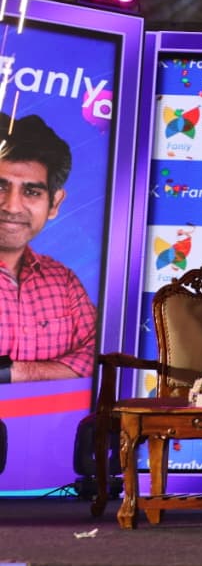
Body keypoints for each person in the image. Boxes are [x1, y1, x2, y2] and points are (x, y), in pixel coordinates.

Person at [0, 113, 97, 383]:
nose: (12, 206)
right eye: (0, 186)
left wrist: (15, 373)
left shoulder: (62, 281)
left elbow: (99, 351)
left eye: (32, 192)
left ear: (54, 203)